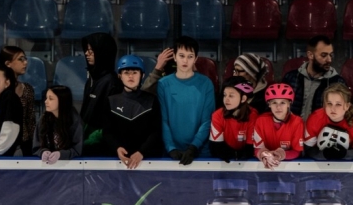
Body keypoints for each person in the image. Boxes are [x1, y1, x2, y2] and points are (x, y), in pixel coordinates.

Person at [157, 37, 216, 165]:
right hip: (170, 153)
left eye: (190, 56)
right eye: (182, 55)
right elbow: (163, 120)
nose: (185, 60)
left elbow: (207, 120)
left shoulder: (206, 84)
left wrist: (194, 147)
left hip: (200, 153)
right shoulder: (163, 84)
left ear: (195, 59)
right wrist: (170, 148)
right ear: (174, 56)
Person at [101, 54, 163, 170]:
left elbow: (156, 132)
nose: (131, 76)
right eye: (126, 73)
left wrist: (141, 152)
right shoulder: (111, 101)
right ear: (120, 76)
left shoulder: (151, 100)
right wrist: (117, 148)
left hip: (148, 161)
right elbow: (107, 132)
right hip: (118, 162)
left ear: (142, 75)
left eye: (135, 72)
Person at [0, 45, 36, 156]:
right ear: (8, 64)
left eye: (25, 59)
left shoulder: (27, 89)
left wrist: (33, 148)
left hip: (23, 146)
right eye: (20, 59)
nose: (25, 62)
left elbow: (31, 121)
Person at [282, 36, 347, 121]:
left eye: (331, 55)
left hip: (320, 132)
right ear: (310, 55)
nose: (329, 59)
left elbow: (343, 115)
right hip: (292, 131)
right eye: (324, 55)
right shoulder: (291, 78)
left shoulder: (337, 82)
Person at [303, 83, 353, 161]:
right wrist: (324, 154)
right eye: (329, 103)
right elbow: (308, 149)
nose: (333, 109)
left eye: (338, 104)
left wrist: (344, 154)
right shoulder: (315, 118)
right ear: (324, 104)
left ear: (347, 106)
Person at [80, 32, 120, 155]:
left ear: (102, 52)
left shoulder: (112, 82)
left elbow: (111, 123)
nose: (87, 54)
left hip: (102, 149)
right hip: (85, 144)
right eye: (86, 50)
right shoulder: (92, 78)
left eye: (91, 51)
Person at [253, 82, 304, 169]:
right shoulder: (261, 121)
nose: (278, 107)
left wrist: (281, 154)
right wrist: (263, 154)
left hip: (289, 170)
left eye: (283, 103)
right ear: (269, 104)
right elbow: (257, 149)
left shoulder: (297, 122)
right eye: (274, 103)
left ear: (289, 104)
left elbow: (297, 151)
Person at [210, 76, 259, 162]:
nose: (226, 99)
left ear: (243, 98)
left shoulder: (253, 115)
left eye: (231, 96)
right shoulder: (217, 115)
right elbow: (216, 147)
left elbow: (250, 148)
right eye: (225, 95)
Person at [37, 85, 83, 164]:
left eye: (50, 99)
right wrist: (42, 152)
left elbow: (78, 149)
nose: (46, 101)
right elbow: (36, 145)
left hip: (70, 168)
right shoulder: (44, 119)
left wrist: (61, 154)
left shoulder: (74, 120)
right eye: (46, 98)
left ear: (62, 101)